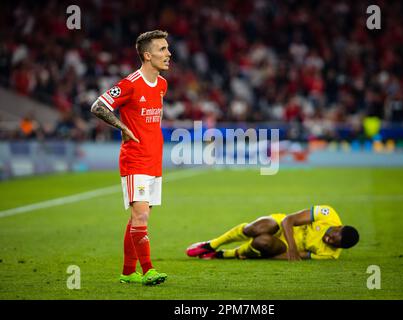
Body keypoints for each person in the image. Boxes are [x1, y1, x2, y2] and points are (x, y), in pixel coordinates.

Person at [91, 30, 171, 285]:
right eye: (162, 49)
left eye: (168, 48)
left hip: (153, 160)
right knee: (142, 218)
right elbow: (98, 106)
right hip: (134, 160)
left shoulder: (161, 85)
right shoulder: (129, 84)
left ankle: (128, 273)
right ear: (147, 55)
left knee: (137, 218)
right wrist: (122, 127)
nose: (169, 54)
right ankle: (148, 270)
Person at [186, 205, 359, 260]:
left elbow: (296, 255)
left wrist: (267, 255)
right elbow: (288, 220)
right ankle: (211, 245)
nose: (328, 240)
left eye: (333, 243)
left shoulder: (330, 254)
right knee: (257, 228)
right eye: (332, 236)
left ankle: (224, 254)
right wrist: (292, 246)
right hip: (280, 225)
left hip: (281, 246)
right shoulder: (328, 214)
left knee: (263, 242)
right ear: (339, 227)